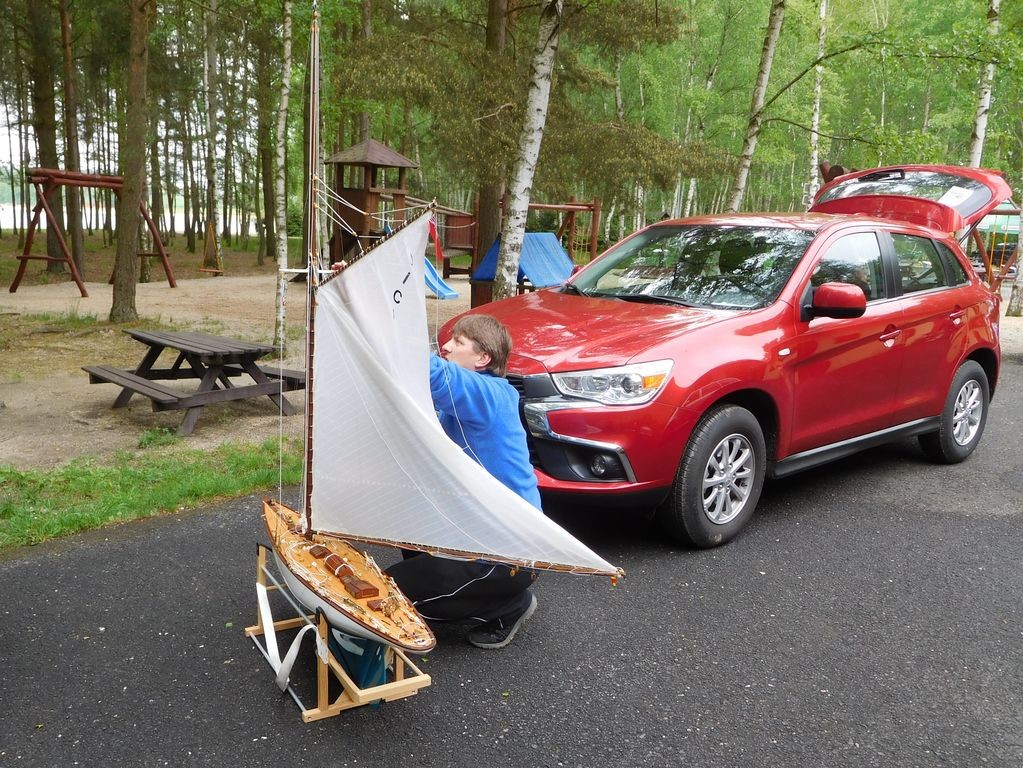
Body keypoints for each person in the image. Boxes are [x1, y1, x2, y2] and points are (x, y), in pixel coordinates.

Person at [384, 314, 540, 650]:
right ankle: (461, 589)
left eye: (458, 342)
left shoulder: (490, 395)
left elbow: (433, 373)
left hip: (506, 556)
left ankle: (507, 605)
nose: (446, 346)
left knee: (388, 594)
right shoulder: (465, 403)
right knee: (406, 526)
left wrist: (381, 315)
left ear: (483, 358)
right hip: (473, 530)